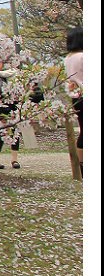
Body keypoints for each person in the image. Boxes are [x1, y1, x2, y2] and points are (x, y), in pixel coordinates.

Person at [64, 26, 83, 169]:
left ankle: (81, 163)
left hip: (76, 97)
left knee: (84, 130)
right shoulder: (83, 56)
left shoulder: (68, 58)